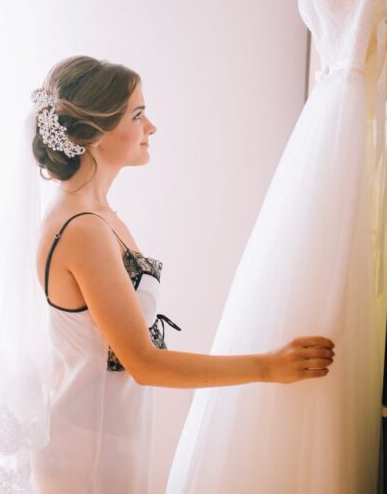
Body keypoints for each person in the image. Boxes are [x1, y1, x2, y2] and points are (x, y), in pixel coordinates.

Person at [28, 55, 335, 492]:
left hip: (107, 428)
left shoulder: (97, 215)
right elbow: (144, 364)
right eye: (137, 115)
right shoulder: (83, 230)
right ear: (94, 134)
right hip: (87, 448)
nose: (151, 127)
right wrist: (267, 367)